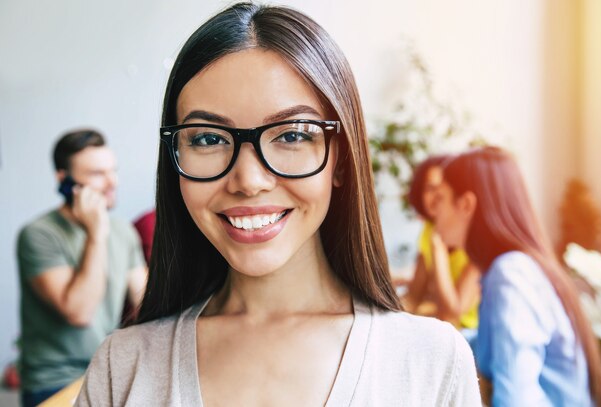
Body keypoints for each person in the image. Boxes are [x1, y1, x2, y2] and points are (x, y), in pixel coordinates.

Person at [76, 3, 481, 406]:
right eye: (208, 138)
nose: (248, 182)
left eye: (292, 135)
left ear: (340, 159)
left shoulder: (432, 362)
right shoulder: (122, 367)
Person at [436, 146, 601, 406]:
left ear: (466, 205)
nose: (433, 213)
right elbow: (490, 344)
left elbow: (515, 400)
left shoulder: (510, 276)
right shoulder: (513, 270)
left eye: (440, 199)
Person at [16, 129, 147, 407]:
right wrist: (96, 233)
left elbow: (148, 303)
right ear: (65, 181)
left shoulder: (122, 231)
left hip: (107, 372)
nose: (112, 182)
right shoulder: (38, 234)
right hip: (54, 382)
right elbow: (79, 311)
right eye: (98, 174)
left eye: (113, 171)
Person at [401, 154, 481, 335]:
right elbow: (414, 294)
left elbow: (454, 311)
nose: (436, 196)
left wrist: (438, 251)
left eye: (441, 189)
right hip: (442, 325)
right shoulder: (428, 231)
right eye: (429, 188)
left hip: (469, 333)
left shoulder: (474, 239)